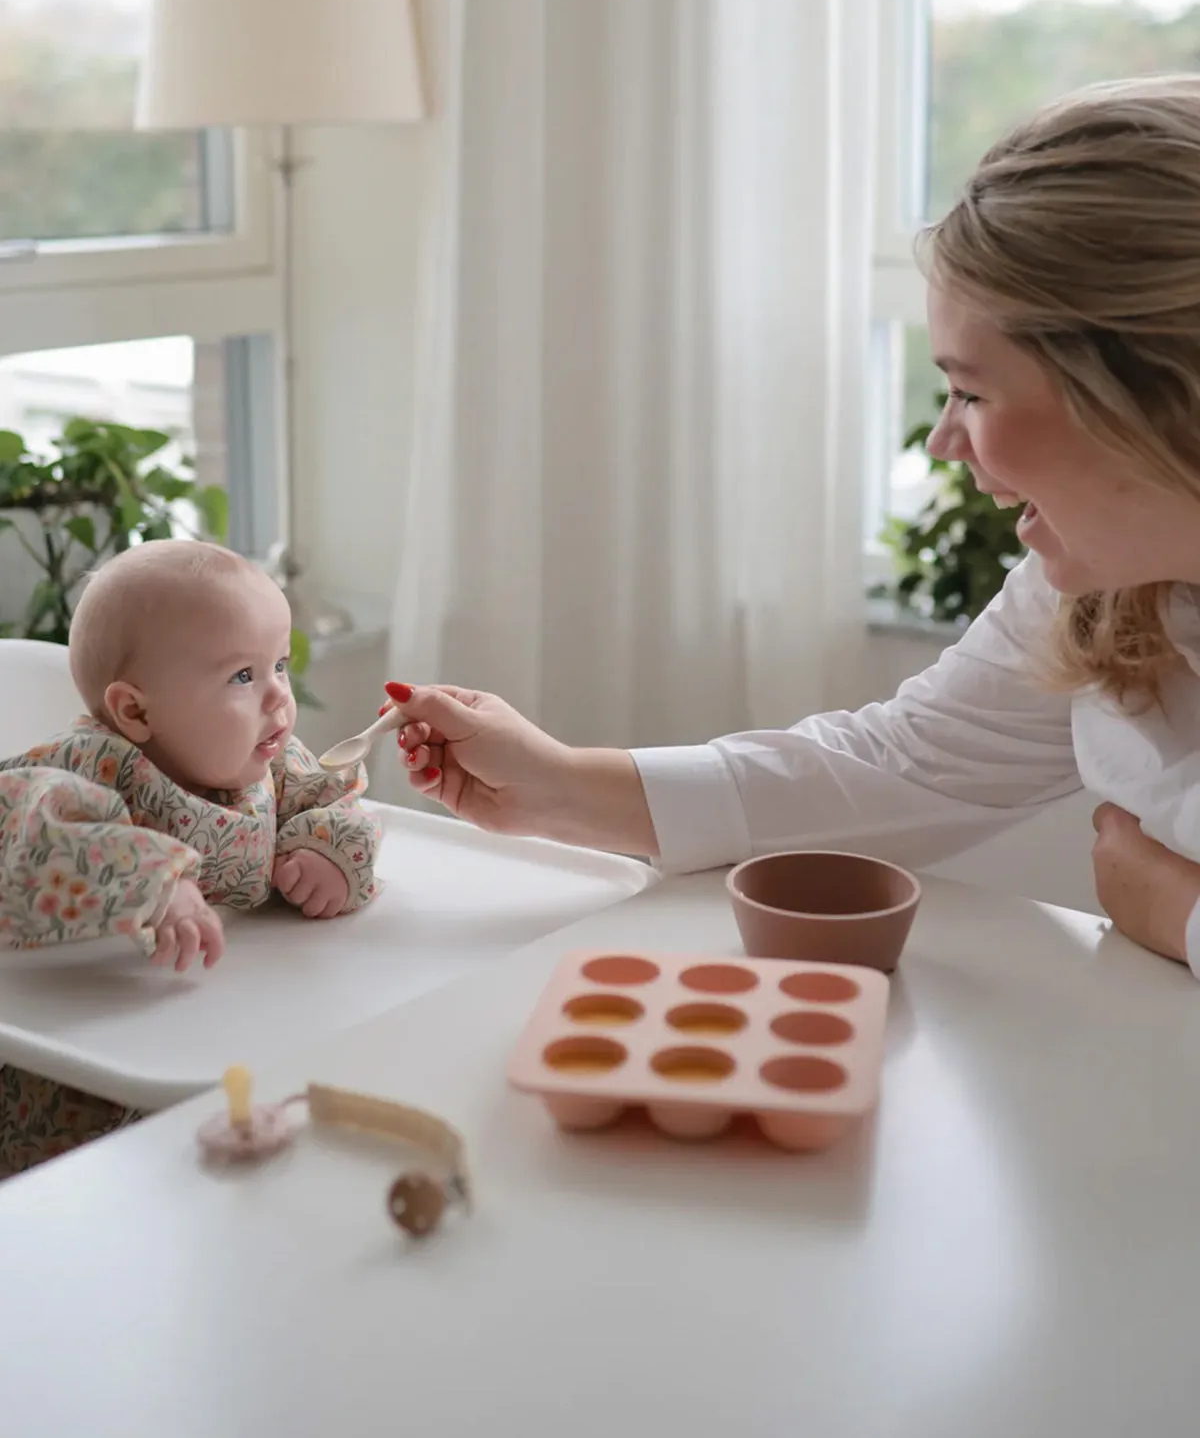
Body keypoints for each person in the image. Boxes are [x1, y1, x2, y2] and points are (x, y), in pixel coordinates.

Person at [383, 75, 1200, 980]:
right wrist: (562, 786)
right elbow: (911, 766)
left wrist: (1181, 913)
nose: (941, 440)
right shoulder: (1097, 586)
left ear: (1156, 394)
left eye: (972, 390)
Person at [0, 539, 381, 1173]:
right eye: (243, 676)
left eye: (279, 665)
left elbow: (334, 797)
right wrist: (154, 878)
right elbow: (28, 833)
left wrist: (330, 849)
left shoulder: (267, 759)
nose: (278, 697)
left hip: (223, 1026)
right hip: (84, 1069)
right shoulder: (91, 765)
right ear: (135, 710)